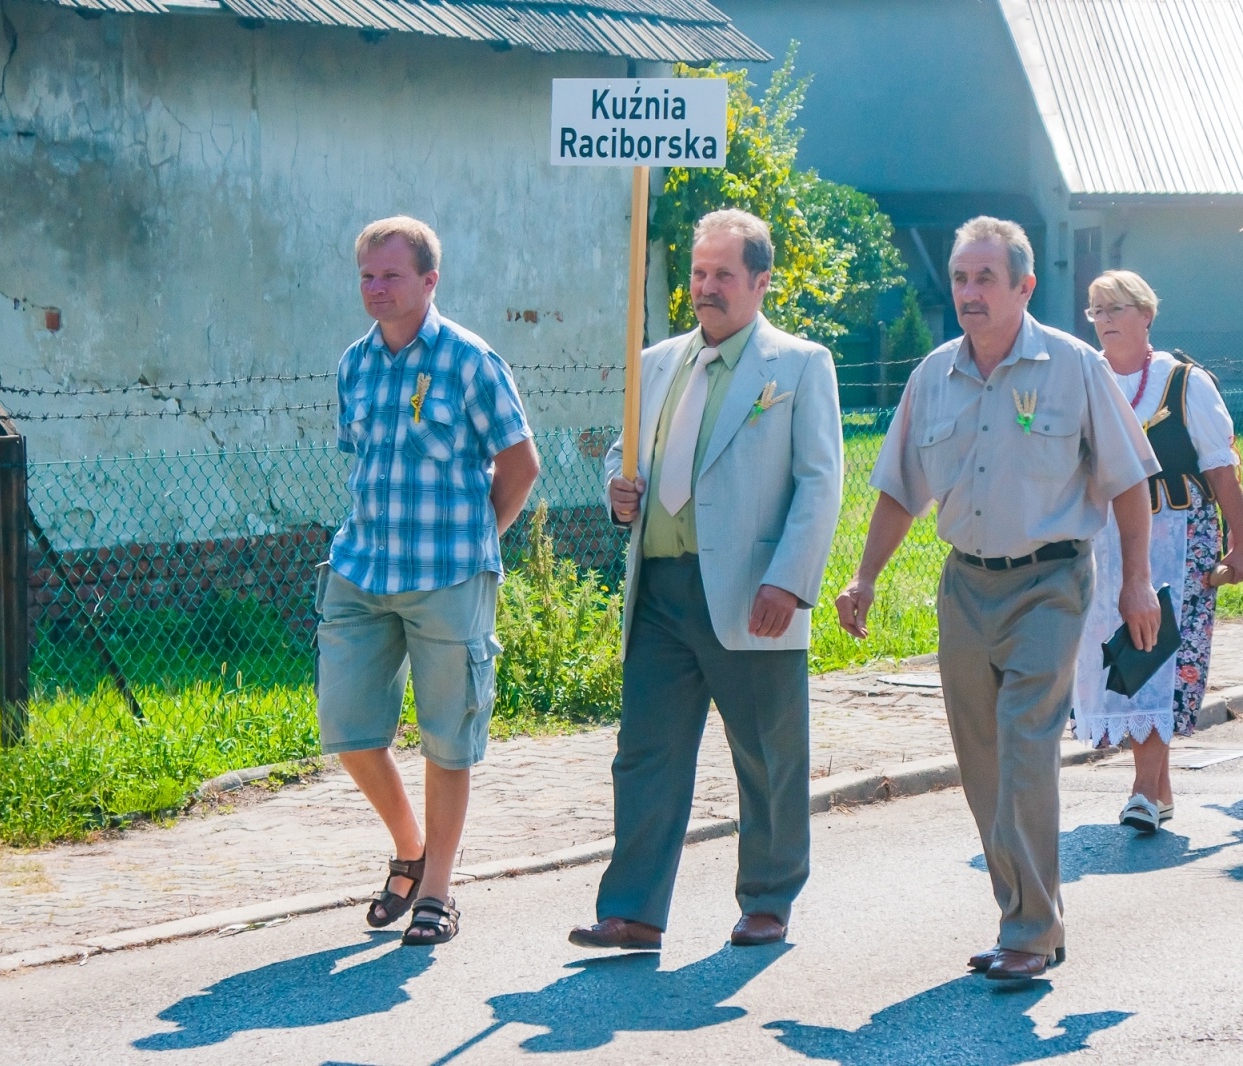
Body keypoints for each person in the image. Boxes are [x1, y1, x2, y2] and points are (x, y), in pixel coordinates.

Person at [834, 217, 1160, 985]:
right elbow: (896, 490)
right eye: (960, 278)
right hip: (965, 587)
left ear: (1024, 287)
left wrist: (1137, 580)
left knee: (1023, 747)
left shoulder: (1075, 367)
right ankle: (1027, 917)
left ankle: (1029, 929)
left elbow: (1129, 479)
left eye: (986, 278)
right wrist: (866, 575)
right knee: (982, 762)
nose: (970, 294)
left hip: (1050, 582)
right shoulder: (932, 376)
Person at [568, 209, 843, 951]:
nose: (706, 288)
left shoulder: (799, 364)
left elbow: (821, 484)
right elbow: (628, 456)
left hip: (755, 591)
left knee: (766, 756)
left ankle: (768, 898)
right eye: (698, 273)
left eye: (723, 275)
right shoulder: (657, 361)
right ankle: (633, 911)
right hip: (658, 590)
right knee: (646, 754)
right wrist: (617, 491)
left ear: (760, 282)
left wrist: (789, 581)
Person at [315, 216, 540, 946]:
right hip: (362, 568)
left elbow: (520, 466)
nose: (376, 289)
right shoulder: (354, 363)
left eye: (392, 276)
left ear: (429, 281)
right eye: (367, 277)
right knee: (349, 730)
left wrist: (477, 543)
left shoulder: (472, 361)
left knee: (448, 740)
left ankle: (438, 891)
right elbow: (364, 458)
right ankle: (410, 848)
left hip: (447, 576)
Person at [1072, 271, 1243, 833]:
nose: (1105, 319)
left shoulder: (1185, 384)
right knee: (1120, 658)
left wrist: (1240, 542)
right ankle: (1159, 786)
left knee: (1159, 654)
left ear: (1147, 314)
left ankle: (1143, 790)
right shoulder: (1088, 381)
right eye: (1096, 309)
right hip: (1105, 540)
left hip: (1181, 537)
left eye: (1117, 308)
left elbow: (1221, 469)